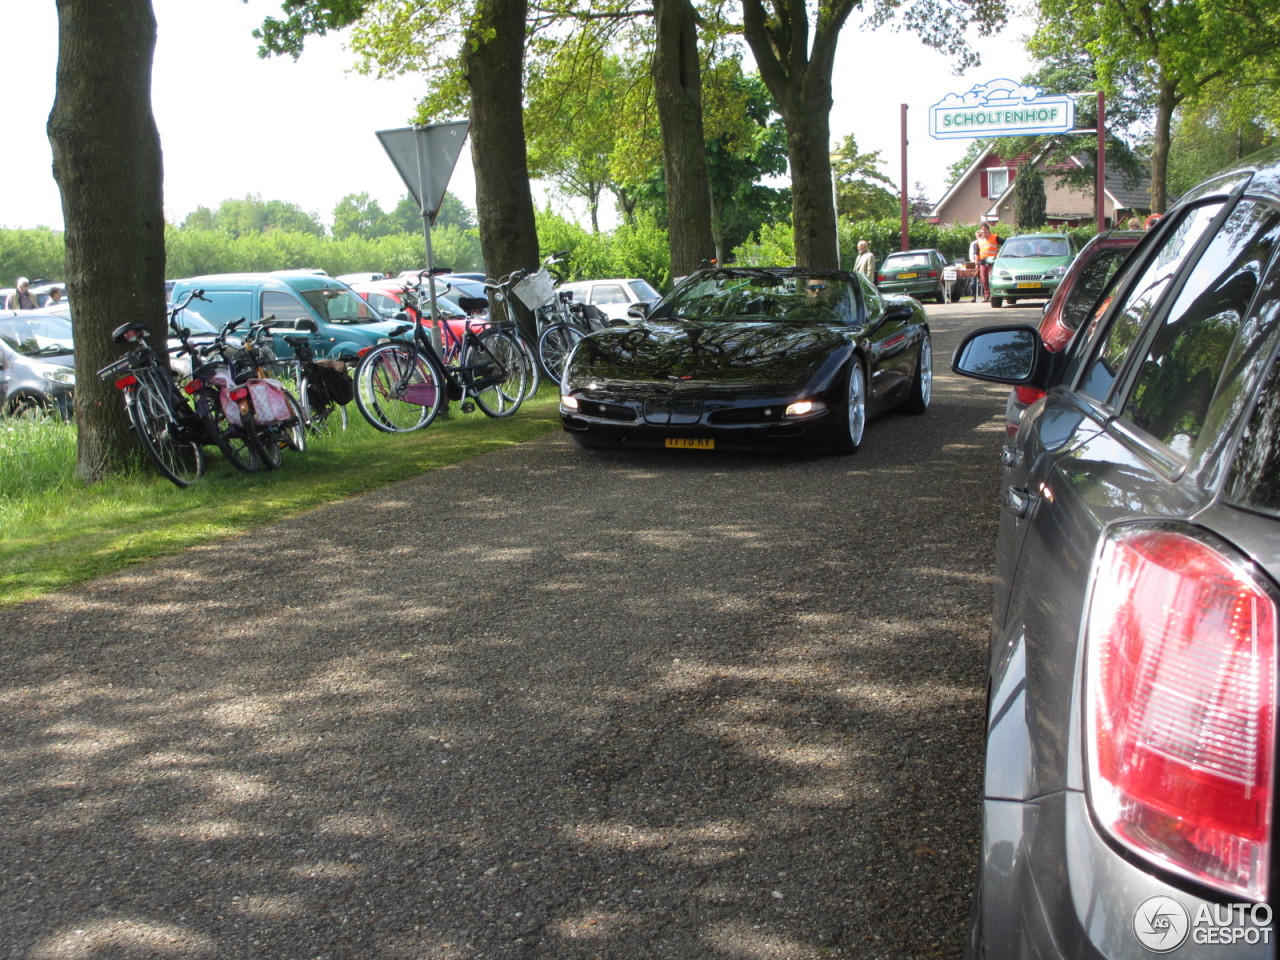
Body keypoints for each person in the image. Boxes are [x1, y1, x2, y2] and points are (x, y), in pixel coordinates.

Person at [974, 224, 1000, 302]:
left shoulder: (995, 237)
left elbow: (1005, 243)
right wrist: (976, 264)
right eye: (982, 230)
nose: (983, 231)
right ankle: (986, 295)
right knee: (984, 279)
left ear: (988, 230)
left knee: (991, 278)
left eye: (985, 229)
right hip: (982, 262)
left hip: (992, 262)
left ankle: (994, 294)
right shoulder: (978, 241)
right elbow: (977, 253)